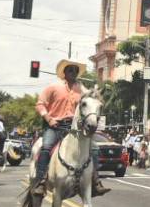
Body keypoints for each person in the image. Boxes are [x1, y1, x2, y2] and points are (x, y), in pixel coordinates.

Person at [33, 59, 108, 197]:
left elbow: (91, 98)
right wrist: (49, 119)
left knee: (95, 149)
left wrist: (97, 92)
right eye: (70, 70)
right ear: (64, 72)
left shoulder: (81, 89)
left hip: (73, 128)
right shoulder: (53, 87)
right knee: (46, 147)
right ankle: (41, 181)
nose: (73, 73)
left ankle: (95, 181)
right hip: (54, 125)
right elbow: (40, 104)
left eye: (76, 71)